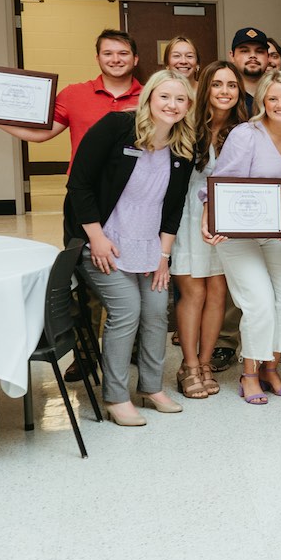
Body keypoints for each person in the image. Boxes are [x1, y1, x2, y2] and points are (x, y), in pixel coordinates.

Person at [64, 70, 196, 426]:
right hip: (103, 241)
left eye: (180, 99)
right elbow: (79, 184)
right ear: (149, 97)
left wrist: (164, 257)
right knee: (127, 310)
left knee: (155, 311)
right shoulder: (116, 127)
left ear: (189, 106)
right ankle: (116, 396)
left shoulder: (183, 146)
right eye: (165, 96)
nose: (172, 105)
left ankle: (151, 388)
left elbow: (174, 207)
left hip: (149, 245)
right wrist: (97, 238)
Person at [204, 70, 281, 405]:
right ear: (262, 101)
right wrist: (210, 216)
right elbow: (221, 182)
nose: (280, 104)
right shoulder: (245, 135)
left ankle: (271, 368)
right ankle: (249, 373)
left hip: (279, 231)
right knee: (260, 303)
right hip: (238, 234)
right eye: (273, 98)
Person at [170, 61, 244, 399]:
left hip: (227, 219)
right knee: (194, 292)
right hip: (187, 217)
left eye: (231, 85)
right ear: (205, 89)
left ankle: (204, 363)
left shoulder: (245, 130)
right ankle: (187, 364)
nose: (225, 92)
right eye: (217, 84)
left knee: (217, 292)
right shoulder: (187, 126)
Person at [0, 28, 141, 165]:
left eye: (123, 53)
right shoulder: (74, 94)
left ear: (135, 59)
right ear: (98, 58)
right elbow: (39, 135)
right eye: (108, 53)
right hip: (86, 186)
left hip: (138, 185)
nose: (116, 59)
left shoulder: (152, 96)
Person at [231, 27, 270, 100]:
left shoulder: (279, 92)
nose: (253, 56)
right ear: (232, 56)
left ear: (268, 57)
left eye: (260, 51)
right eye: (244, 51)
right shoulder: (226, 95)